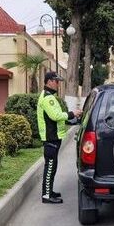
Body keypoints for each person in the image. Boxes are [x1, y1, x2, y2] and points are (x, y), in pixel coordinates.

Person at [37, 71, 82, 204]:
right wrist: (72, 114)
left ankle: (49, 191)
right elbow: (56, 116)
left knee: (52, 166)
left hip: (52, 137)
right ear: (49, 81)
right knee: (50, 166)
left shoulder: (48, 96)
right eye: (56, 81)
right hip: (51, 138)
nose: (58, 84)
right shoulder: (48, 98)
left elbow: (56, 116)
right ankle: (46, 196)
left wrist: (71, 119)